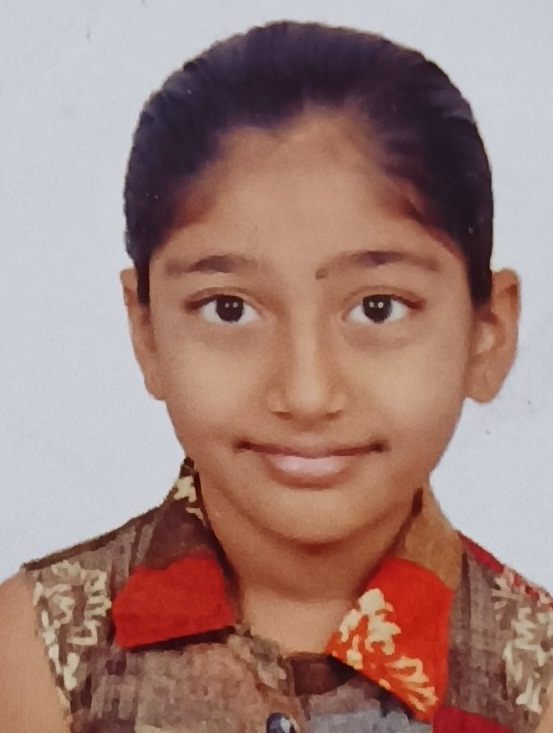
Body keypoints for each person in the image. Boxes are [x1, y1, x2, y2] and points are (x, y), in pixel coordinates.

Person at [1, 19, 552, 733]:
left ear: (488, 332)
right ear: (146, 331)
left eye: (377, 308)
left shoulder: (535, 681)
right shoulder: (37, 655)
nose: (306, 393)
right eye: (229, 309)